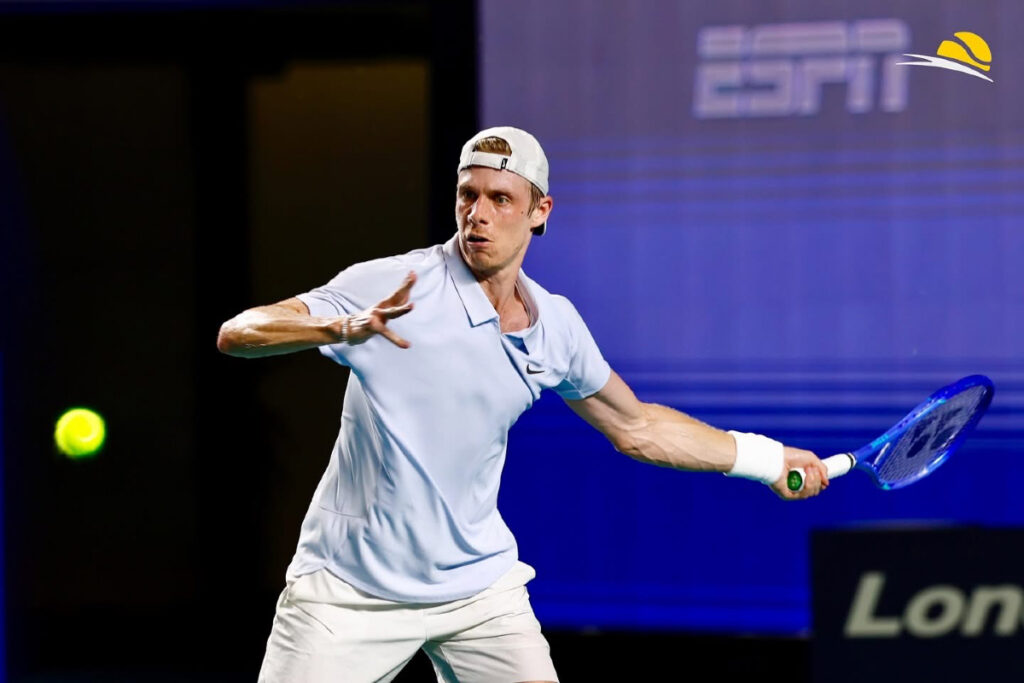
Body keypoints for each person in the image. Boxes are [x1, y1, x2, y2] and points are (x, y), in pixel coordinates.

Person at [217, 126, 830, 683]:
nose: (477, 215)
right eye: (468, 195)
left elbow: (636, 426)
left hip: (478, 590)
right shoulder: (395, 285)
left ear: (540, 212)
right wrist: (336, 328)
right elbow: (239, 332)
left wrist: (768, 460)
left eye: (500, 200)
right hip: (351, 592)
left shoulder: (555, 325)